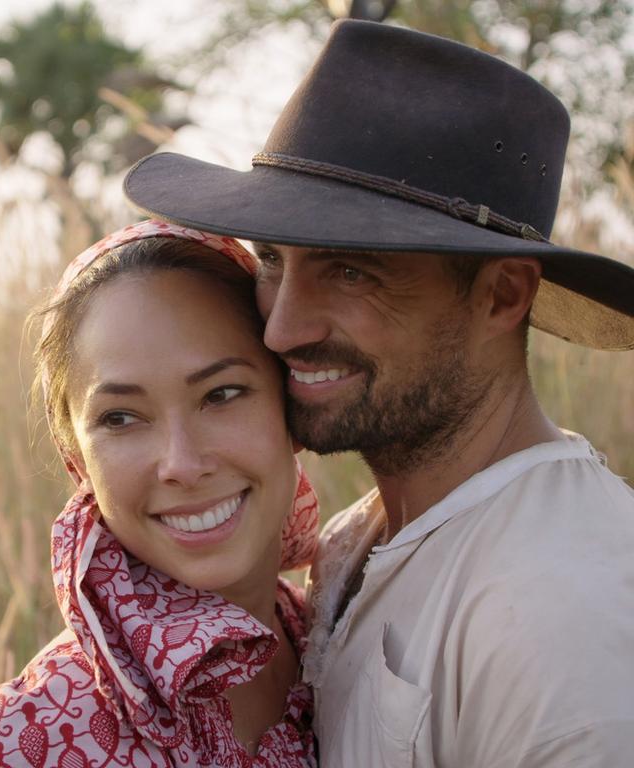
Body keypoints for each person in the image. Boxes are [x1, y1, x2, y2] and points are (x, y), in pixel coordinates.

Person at [123, 18, 634, 768]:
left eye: (352, 272)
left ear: (501, 297)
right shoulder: (360, 538)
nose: (281, 329)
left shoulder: (564, 622)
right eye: (272, 259)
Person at [0, 220, 320, 767]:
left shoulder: (348, 637)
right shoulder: (18, 746)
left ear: (294, 407)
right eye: (120, 417)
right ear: (76, 460)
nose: (182, 465)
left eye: (222, 394)